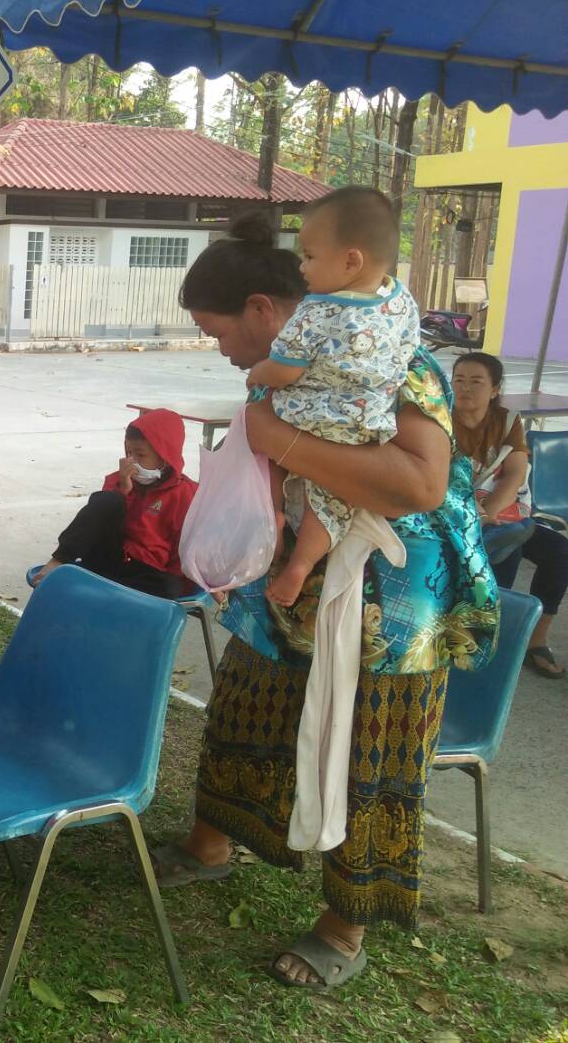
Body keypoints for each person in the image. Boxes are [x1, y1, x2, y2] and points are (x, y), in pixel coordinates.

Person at [148, 214, 497, 990]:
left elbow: (421, 485)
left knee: (367, 750)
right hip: (297, 580)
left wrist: (282, 445)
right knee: (247, 702)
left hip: (392, 603)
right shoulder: (297, 364)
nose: (219, 347)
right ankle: (212, 842)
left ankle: (345, 927)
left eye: (216, 331)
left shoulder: (395, 365)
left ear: (264, 313)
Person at [246, 187, 420, 607]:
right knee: (331, 497)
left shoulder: (316, 311)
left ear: (350, 260)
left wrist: (258, 373)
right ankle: (300, 567)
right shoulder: (399, 300)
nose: (302, 267)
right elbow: (408, 349)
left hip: (311, 414)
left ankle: (272, 514)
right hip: (370, 420)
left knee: (259, 438)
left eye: (308, 256)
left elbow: (286, 370)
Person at [452, 351, 568, 678]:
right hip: (452, 513)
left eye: (476, 381)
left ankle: (536, 640)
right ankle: (486, 640)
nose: (465, 388)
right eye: (459, 379)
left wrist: (489, 513)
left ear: (494, 389)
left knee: (559, 552)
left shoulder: (506, 420)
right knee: (509, 549)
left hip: (497, 514)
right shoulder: (438, 418)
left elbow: (514, 474)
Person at [26, 409, 198, 598]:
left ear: (165, 455)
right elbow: (98, 522)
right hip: (111, 558)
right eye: (130, 453)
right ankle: (58, 561)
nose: (133, 461)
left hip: (148, 571)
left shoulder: (185, 494)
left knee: (170, 587)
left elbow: (183, 547)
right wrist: (124, 490)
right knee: (107, 500)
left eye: (141, 455)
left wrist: (178, 584)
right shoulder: (119, 479)